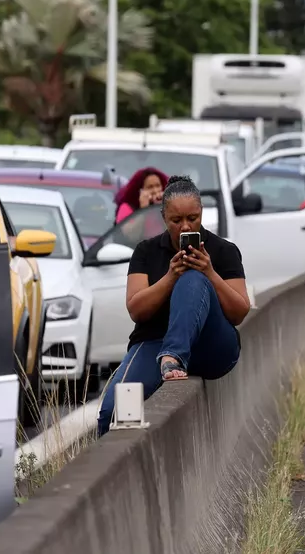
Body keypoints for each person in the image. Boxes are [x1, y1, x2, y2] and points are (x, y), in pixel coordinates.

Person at [97, 175, 248, 436]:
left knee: (193, 279)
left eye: (193, 218)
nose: (185, 226)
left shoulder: (224, 250)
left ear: (201, 212)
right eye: (176, 220)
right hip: (155, 343)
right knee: (114, 410)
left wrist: (209, 273)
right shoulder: (146, 251)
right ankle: (171, 356)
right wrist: (170, 277)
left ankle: (174, 356)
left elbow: (239, 312)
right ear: (164, 217)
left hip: (210, 346)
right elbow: (136, 310)